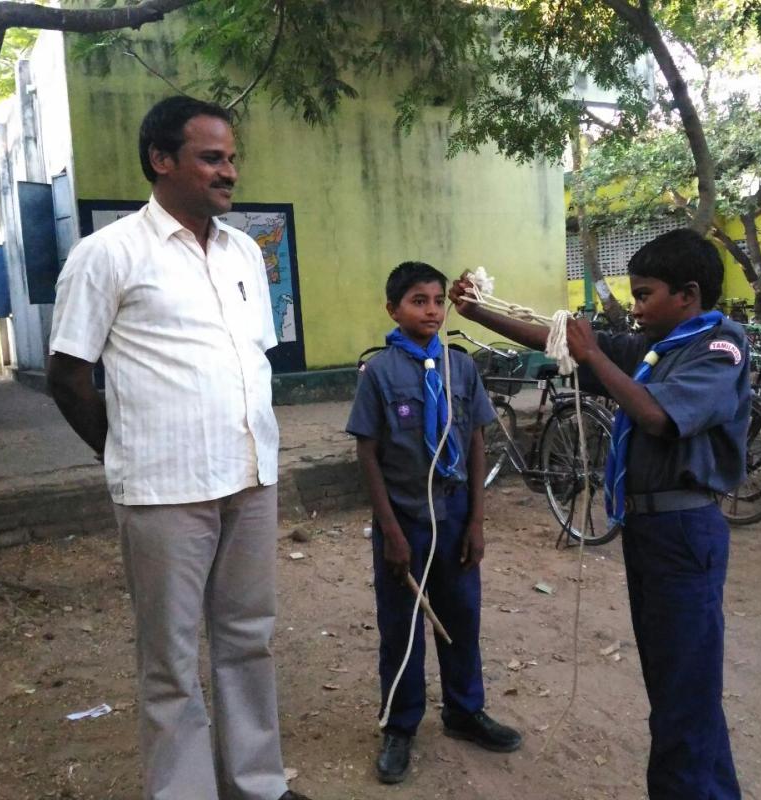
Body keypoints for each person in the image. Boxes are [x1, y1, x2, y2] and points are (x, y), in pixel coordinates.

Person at [48, 95, 309, 800]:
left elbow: (250, 358)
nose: (230, 172)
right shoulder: (107, 254)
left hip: (249, 476)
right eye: (211, 158)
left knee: (248, 638)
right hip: (163, 490)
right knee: (169, 658)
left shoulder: (243, 252)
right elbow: (68, 376)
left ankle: (256, 784)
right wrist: (124, 450)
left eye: (231, 158)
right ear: (161, 160)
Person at [449, 229, 749, 799]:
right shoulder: (658, 345)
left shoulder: (717, 348)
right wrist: (478, 311)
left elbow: (658, 415)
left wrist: (593, 356)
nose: (635, 308)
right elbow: (558, 341)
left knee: (684, 693)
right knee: (675, 686)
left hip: (684, 531)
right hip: (650, 529)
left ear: (688, 294)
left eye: (645, 295)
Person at [346, 261, 523, 785]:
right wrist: (391, 532)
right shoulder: (379, 373)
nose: (431, 311)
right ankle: (400, 725)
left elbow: (476, 440)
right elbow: (367, 453)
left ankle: (464, 711)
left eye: (438, 301)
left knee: (462, 617)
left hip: (456, 515)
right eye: (418, 301)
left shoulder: (460, 367)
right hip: (405, 521)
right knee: (401, 626)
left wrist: (477, 521)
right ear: (393, 310)